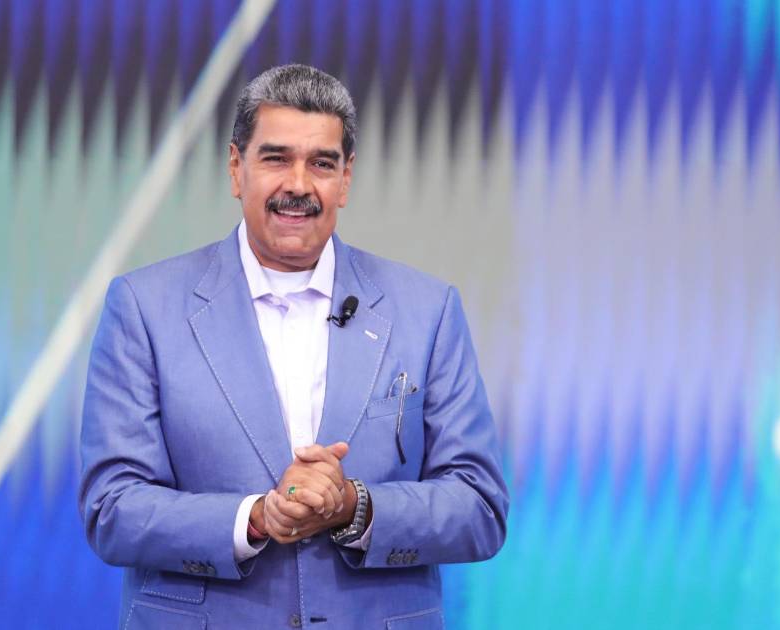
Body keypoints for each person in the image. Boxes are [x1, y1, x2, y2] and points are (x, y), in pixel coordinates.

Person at [78, 64, 508, 629]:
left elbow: (479, 506)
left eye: (322, 163)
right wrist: (255, 518)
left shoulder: (428, 311)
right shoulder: (143, 306)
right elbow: (112, 508)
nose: (298, 185)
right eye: (276, 158)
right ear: (236, 168)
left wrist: (355, 507)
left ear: (346, 179)